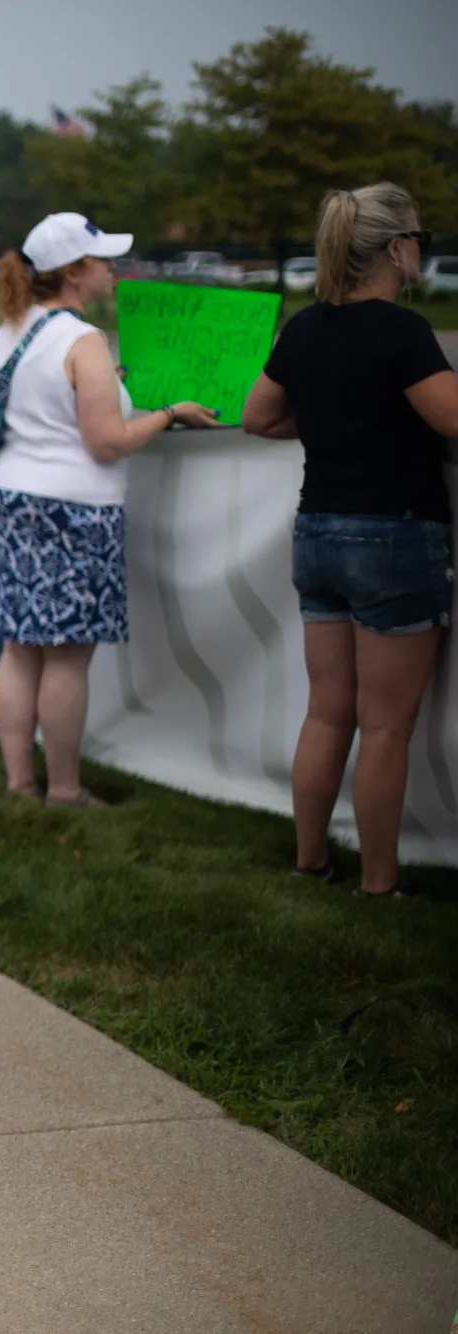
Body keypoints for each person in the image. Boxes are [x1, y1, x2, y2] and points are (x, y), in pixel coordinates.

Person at [241, 182, 458, 897]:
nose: (423, 251)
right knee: (385, 728)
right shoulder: (403, 332)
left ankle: (309, 863)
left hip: (318, 534)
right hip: (393, 536)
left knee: (326, 712)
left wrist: (340, 422)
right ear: (395, 249)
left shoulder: (305, 328)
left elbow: (258, 418)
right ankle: (380, 884)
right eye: (420, 239)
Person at [0, 214, 218, 806]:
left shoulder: (12, 328)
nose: (113, 271)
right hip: (74, 509)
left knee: (19, 648)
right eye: (103, 261)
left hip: (10, 497)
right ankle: (63, 789)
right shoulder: (82, 341)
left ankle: (18, 784)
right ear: (74, 272)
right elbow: (106, 442)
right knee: (65, 656)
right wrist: (168, 414)